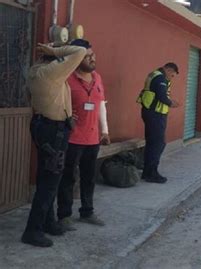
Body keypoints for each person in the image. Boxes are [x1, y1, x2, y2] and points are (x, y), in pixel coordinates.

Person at [22, 43, 87, 247]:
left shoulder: (37, 71)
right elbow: (80, 51)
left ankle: (48, 222)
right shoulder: (50, 72)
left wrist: (66, 114)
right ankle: (33, 230)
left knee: (46, 177)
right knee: (50, 182)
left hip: (47, 126)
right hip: (53, 131)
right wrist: (56, 51)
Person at [56, 39, 110, 230]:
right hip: (71, 138)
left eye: (92, 55)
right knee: (68, 177)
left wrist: (105, 130)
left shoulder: (97, 78)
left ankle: (87, 212)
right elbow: (56, 104)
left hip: (93, 138)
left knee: (89, 177)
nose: (92, 59)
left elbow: (101, 104)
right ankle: (64, 215)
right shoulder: (66, 78)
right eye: (87, 56)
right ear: (76, 58)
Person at [137, 62, 180, 183]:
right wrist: (172, 103)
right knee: (158, 143)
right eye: (172, 75)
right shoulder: (160, 77)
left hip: (150, 112)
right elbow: (161, 96)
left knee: (152, 143)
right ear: (168, 70)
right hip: (155, 114)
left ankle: (147, 172)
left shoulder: (154, 74)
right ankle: (151, 173)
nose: (171, 77)